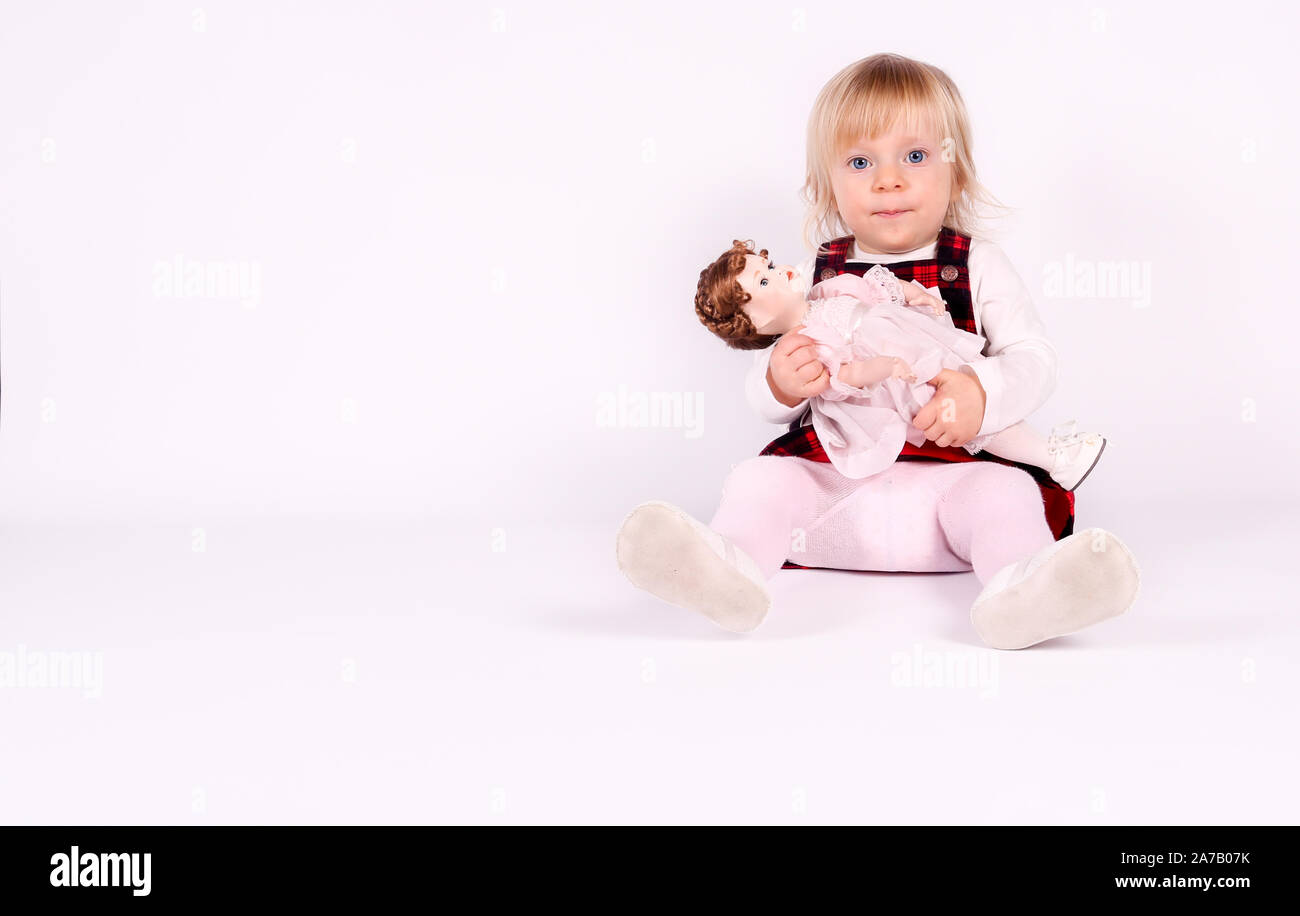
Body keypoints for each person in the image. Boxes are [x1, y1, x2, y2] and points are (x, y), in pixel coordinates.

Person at [616, 53, 1140, 649]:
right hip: (839, 493)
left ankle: (1022, 590)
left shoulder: (977, 262)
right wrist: (782, 383)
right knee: (760, 480)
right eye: (860, 162)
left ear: (957, 172)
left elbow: (1033, 356)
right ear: (827, 185)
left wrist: (981, 392)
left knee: (1008, 494)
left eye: (914, 157)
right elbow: (771, 374)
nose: (887, 181)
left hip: (949, 494)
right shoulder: (815, 271)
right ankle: (728, 569)